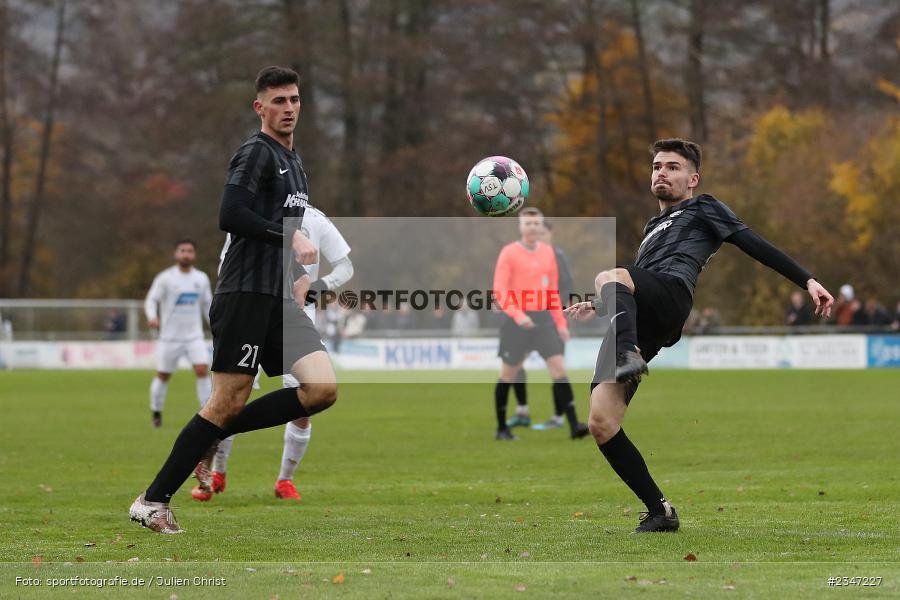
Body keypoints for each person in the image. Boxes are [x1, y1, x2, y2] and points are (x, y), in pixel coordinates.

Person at [566, 139, 833, 533]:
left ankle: (628, 355)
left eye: (672, 167)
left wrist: (807, 280)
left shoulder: (704, 206)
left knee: (611, 274)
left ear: (693, 178)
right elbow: (632, 285)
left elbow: (754, 244)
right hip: (642, 321)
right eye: (657, 166)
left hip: (673, 296)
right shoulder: (651, 227)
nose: (661, 172)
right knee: (601, 422)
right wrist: (600, 301)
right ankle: (661, 511)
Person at [129, 66, 336, 534]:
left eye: (295, 99)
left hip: (279, 299)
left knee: (320, 390)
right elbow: (230, 214)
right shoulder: (255, 153)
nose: (288, 108)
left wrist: (300, 272)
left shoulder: (296, 162)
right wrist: (287, 237)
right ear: (259, 106)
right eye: (278, 101)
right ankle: (153, 500)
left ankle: (211, 433)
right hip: (244, 293)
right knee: (226, 402)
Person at [195, 200, 353, 502]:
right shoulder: (250, 217)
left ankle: (285, 480)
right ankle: (218, 474)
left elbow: (346, 265)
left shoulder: (315, 220)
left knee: (306, 402)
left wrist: (317, 288)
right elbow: (226, 263)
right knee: (230, 397)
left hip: (294, 318)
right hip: (251, 311)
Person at [493, 207, 589, 441]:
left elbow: (553, 292)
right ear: (520, 226)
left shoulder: (548, 253)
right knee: (508, 374)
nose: (533, 228)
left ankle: (574, 424)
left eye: (537, 224)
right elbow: (500, 291)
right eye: (528, 224)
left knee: (559, 369)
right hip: (516, 322)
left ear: (542, 226)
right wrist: (518, 315)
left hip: (544, 319)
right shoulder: (509, 253)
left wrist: (561, 324)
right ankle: (502, 429)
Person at [509, 221, 576, 431]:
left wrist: (560, 316)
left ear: (549, 234)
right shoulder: (527, 256)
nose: (537, 235)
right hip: (527, 320)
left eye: (542, 232)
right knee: (516, 365)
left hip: (550, 320)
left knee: (557, 369)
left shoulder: (556, 256)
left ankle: (558, 416)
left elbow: (565, 287)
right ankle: (522, 410)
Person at [143, 240, 213, 428]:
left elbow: (208, 306)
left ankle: (206, 412)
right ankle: (156, 411)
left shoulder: (201, 279)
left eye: (190, 251)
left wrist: (216, 326)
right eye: (182, 251)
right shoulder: (165, 278)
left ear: (194, 255)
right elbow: (151, 300)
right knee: (163, 375)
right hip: (169, 337)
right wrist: (152, 316)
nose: (186, 254)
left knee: (202, 370)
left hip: (194, 336)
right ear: (176, 254)